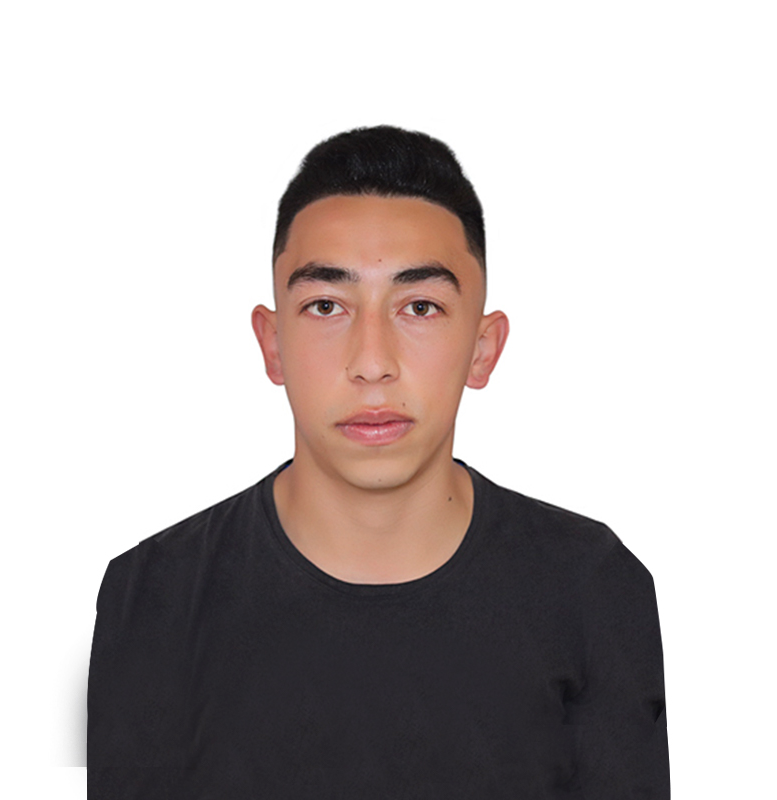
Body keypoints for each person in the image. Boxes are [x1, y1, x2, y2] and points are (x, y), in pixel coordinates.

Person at [87, 125, 670, 798]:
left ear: (483, 349)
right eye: (326, 306)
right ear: (272, 344)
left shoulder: (593, 589)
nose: (371, 363)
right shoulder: (152, 597)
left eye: (420, 307)